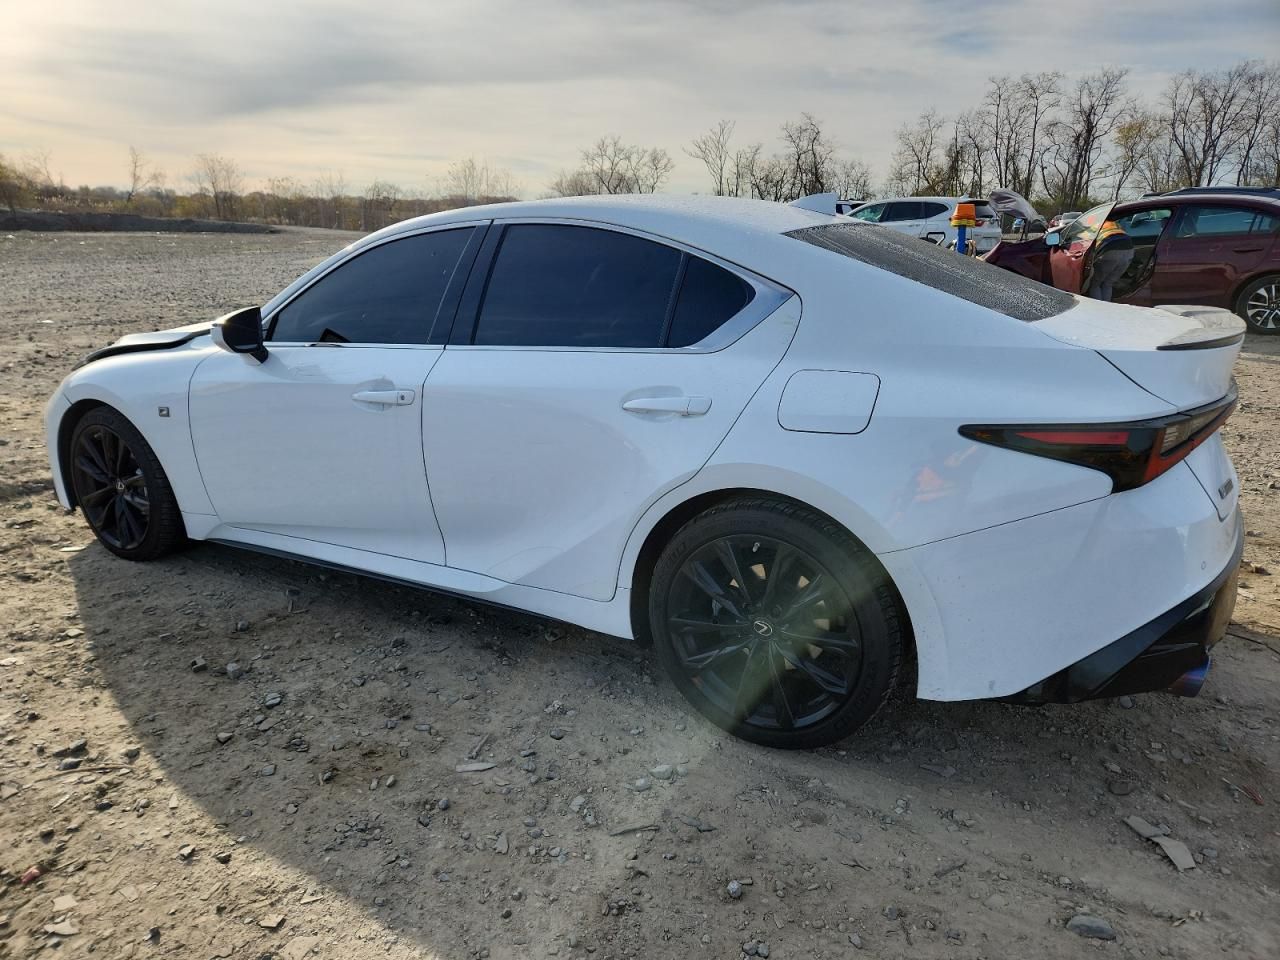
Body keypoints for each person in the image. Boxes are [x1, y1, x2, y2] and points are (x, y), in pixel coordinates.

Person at [1085, 219, 1134, 302]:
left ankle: (1099, 308)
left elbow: (1084, 244)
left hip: (1110, 250)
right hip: (1129, 249)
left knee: (1095, 284)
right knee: (1108, 283)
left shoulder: (1091, 227)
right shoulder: (1113, 223)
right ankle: (1107, 306)